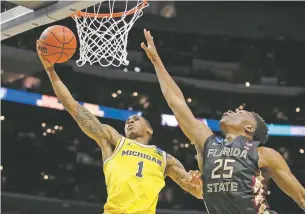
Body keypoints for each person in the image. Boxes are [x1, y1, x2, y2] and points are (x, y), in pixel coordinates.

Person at [141, 29, 305, 214]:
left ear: (249, 128)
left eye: (239, 112)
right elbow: (176, 103)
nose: (229, 111)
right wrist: (156, 61)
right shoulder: (207, 142)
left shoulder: (264, 154)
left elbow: (300, 196)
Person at [36, 41, 203, 214]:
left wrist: (198, 183)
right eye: (127, 121)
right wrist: (50, 71)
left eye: (136, 119)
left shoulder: (165, 159)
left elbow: (197, 193)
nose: (129, 122)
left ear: (149, 130)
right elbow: (72, 106)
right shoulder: (114, 140)